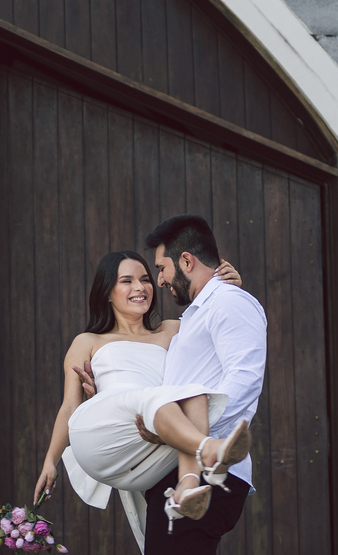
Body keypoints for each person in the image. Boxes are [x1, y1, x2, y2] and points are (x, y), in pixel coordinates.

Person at [33, 250, 253, 551]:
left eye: (146, 279)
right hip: (110, 426)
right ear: (107, 292)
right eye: (127, 281)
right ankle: (209, 448)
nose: (140, 287)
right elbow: (70, 406)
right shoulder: (88, 342)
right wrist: (50, 461)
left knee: (192, 390)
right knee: (158, 396)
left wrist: (229, 291)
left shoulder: (173, 329)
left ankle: (188, 484)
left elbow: (219, 326)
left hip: (157, 429)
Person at [80, 215, 268, 554]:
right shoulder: (191, 319)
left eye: (161, 269)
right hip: (178, 470)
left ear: (186, 261)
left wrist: (188, 436)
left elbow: (244, 381)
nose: (160, 280)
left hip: (209, 472)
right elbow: (160, 385)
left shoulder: (228, 302)